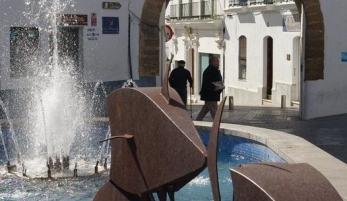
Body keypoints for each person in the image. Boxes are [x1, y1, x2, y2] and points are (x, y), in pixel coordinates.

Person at [196, 56, 223, 121]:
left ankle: (197, 121)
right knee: (215, 113)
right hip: (211, 95)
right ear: (213, 61)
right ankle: (218, 125)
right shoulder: (209, 70)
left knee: (205, 109)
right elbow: (207, 82)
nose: (218, 62)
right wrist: (214, 88)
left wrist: (220, 87)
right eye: (217, 61)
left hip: (211, 95)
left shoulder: (213, 70)